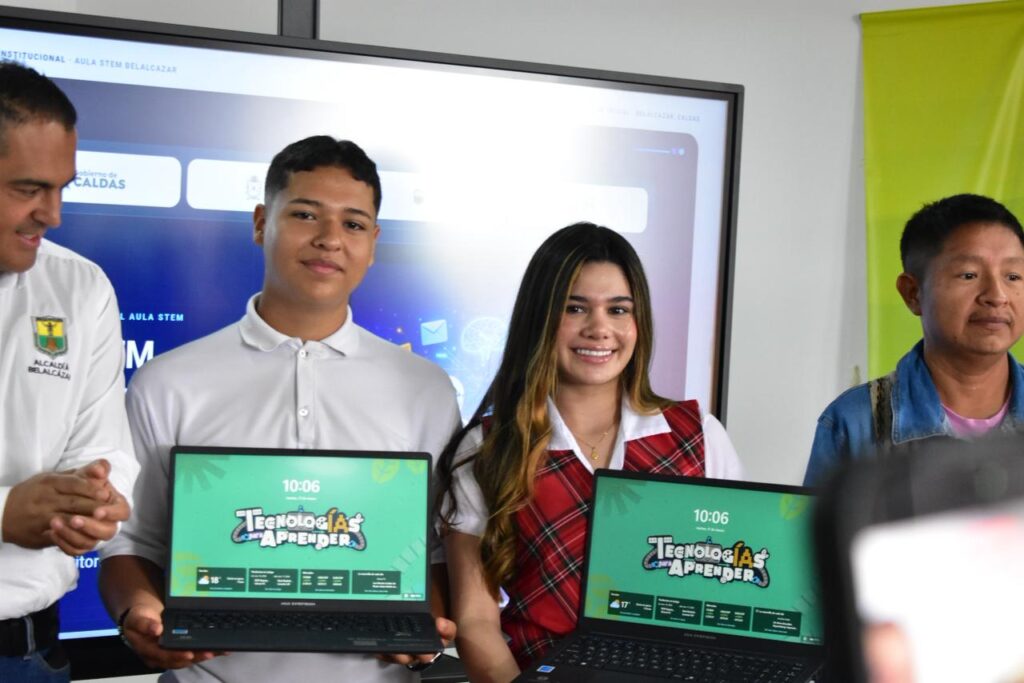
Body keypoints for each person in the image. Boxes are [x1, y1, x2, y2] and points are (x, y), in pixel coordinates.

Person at [98, 136, 461, 681]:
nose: (329, 239)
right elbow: (130, 541)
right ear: (261, 223)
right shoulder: (167, 382)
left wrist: (428, 622)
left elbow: (438, 550)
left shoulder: (426, 389)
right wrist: (137, 611)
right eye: (305, 214)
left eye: (353, 223)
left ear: (373, 242)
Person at [437, 222, 744, 681]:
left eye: (618, 310)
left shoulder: (697, 435)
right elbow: (476, 620)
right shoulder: (490, 448)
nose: (600, 329)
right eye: (575, 308)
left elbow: (734, 597)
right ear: (540, 318)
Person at [0, 61, 137, 682]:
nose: (52, 214)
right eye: (29, 189)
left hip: (31, 655)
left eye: (62, 188)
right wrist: (4, 513)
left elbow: (104, 447)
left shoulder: (80, 287)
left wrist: (94, 503)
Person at [804, 193, 1024, 485]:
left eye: (1013, 276)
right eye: (969, 275)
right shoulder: (855, 422)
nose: (997, 296)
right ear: (912, 293)